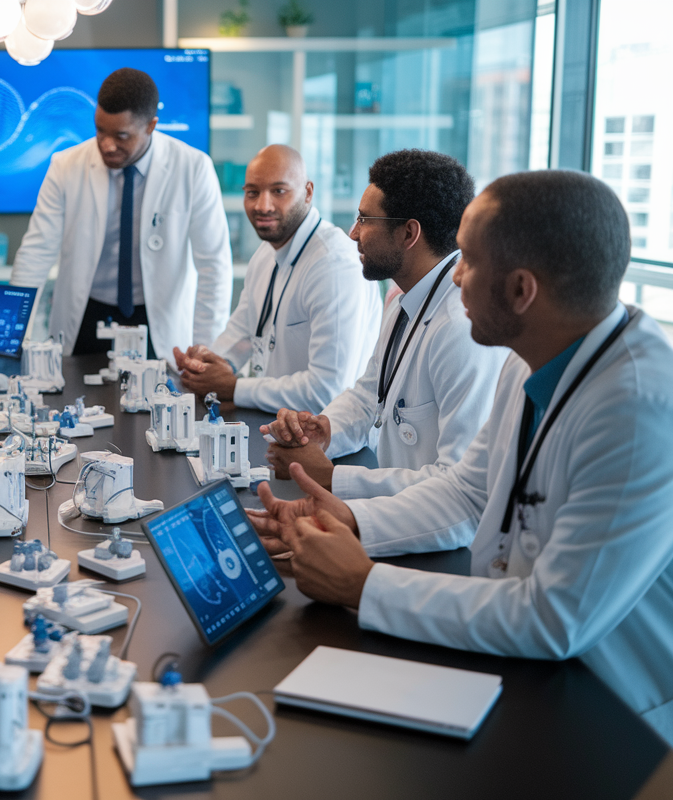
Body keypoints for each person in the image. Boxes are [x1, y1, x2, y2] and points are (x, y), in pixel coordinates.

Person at [248, 170, 673, 745]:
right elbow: (467, 491)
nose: (456, 278)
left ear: (522, 290)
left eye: (468, 262)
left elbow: (554, 618)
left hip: (616, 720)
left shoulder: (638, 409)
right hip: (525, 669)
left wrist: (363, 585)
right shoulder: (532, 355)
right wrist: (348, 519)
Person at [261, 150, 507, 499]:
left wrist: (334, 478)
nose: (352, 233)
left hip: (435, 535)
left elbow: (458, 487)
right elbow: (369, 396)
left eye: (364, 219)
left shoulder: (460, 330)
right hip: (394, 512)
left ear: (409, 233)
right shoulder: (403, 299)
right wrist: (323, 431)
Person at [9, 67, 232, 359]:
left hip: (159, 320)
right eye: (100, 130)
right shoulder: (66, 165)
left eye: (121, 135)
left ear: (151, 126)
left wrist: (205, 350)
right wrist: (11, 335)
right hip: (86, 314)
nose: (106, 145)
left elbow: (214, 267)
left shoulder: (193, 168)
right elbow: (36, 253)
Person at [174, 145, 381, 414]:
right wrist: (202, 367)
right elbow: (242, 334)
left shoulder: (334, 264)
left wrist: (235, 388)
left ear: (308, 192)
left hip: (327, 445)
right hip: (274, 425)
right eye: (252, 193)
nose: (262, 205)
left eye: (278, 191)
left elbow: (327, 392)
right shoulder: (265, 254)